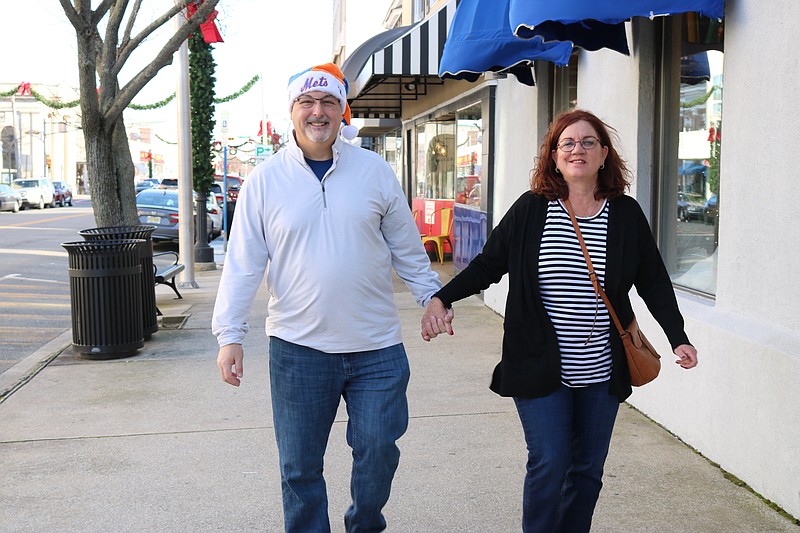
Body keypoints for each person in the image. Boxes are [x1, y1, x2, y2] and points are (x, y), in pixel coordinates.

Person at [421, 109, 698, 533]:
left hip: (601, 369)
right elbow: (488, 264)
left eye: (588, 142)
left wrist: (677, 336)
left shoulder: (624, 214)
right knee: (550, 461)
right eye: (566, 143)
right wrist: (441, 297)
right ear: (553, 157)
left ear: (604, 154)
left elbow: (654, 280)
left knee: (587, 470)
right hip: (537, 364)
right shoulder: (533, 210)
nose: (577, 150)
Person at [211, 62, 443, 533]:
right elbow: (243, 263)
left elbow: (406, 246)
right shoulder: (263, 181)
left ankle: (365, 522)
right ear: (291, 112)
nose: (318, 112)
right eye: (307, 103)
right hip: (298, 350)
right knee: (299, 468)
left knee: (379, 449)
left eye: (328, 102)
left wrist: (431, 297)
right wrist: (229, 335)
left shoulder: (375, 171)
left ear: (343, 112)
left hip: (376, 346)